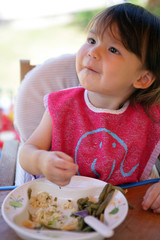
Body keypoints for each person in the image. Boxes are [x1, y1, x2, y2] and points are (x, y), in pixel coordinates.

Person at [19, 3, 160, 213]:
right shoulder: (61, 106)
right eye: (92, 40)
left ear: (142, 78)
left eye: (113, 49)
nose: (93, 51)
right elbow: (26, 152)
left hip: (125, 213)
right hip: (59, 208)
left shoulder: (150, 117)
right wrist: (41, 161)